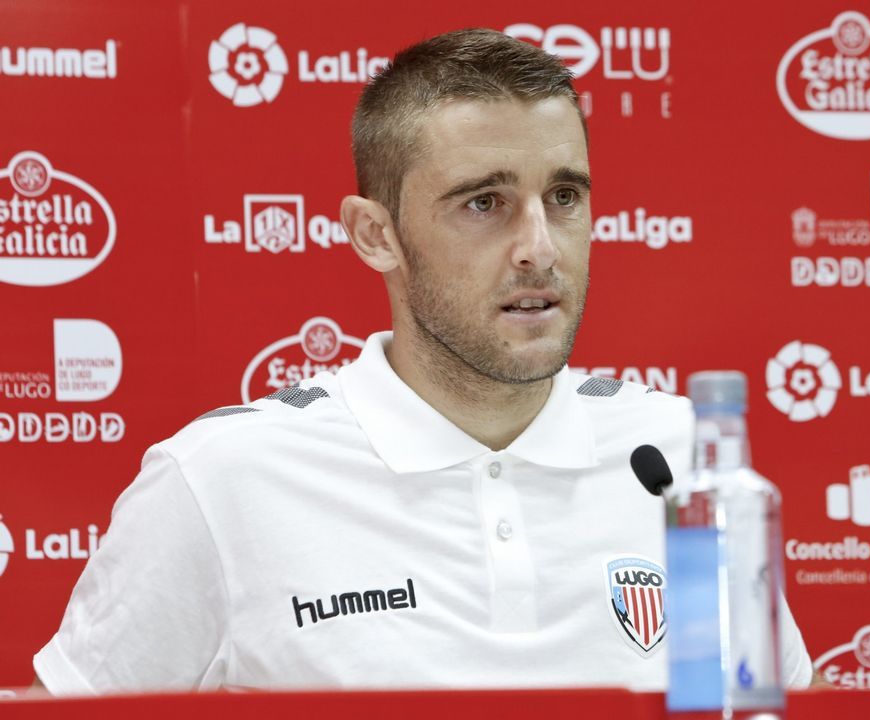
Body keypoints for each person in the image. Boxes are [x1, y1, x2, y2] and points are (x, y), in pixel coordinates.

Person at [32, 28, 812, 694]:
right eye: (485, 202)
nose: (540, 248)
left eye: (565, 196)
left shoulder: (683, 460)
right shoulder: (221, 477)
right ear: (376, 235)